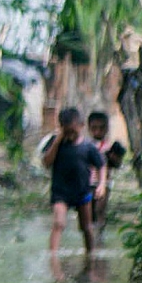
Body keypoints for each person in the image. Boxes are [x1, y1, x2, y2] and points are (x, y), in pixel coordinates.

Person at [44, 107, 106, 256]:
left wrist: (102, 184)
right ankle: (53, 256)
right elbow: (46, 162)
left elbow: (101, 165)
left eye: (73, 131)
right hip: (61, 192)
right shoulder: (56, 144)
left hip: (82, 191)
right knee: (58, 224)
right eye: (67, 132)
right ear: (61, 128)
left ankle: (91, 255)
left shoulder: (88, 147)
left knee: (86, 227)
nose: (70, 135)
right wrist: (58, 141)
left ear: (81, 126)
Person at [89, 110, 126, 228]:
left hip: (105, 183)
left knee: (100, 210)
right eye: (94, 128)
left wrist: (112, 157)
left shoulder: (110, 146)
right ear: (89, 128)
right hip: (87, 183)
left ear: (106, 129)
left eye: (101, 128)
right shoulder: (86, 146)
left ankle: (99, 235)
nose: (98, 132)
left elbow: (118, 164)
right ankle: (90, 235)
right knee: (89, 212)